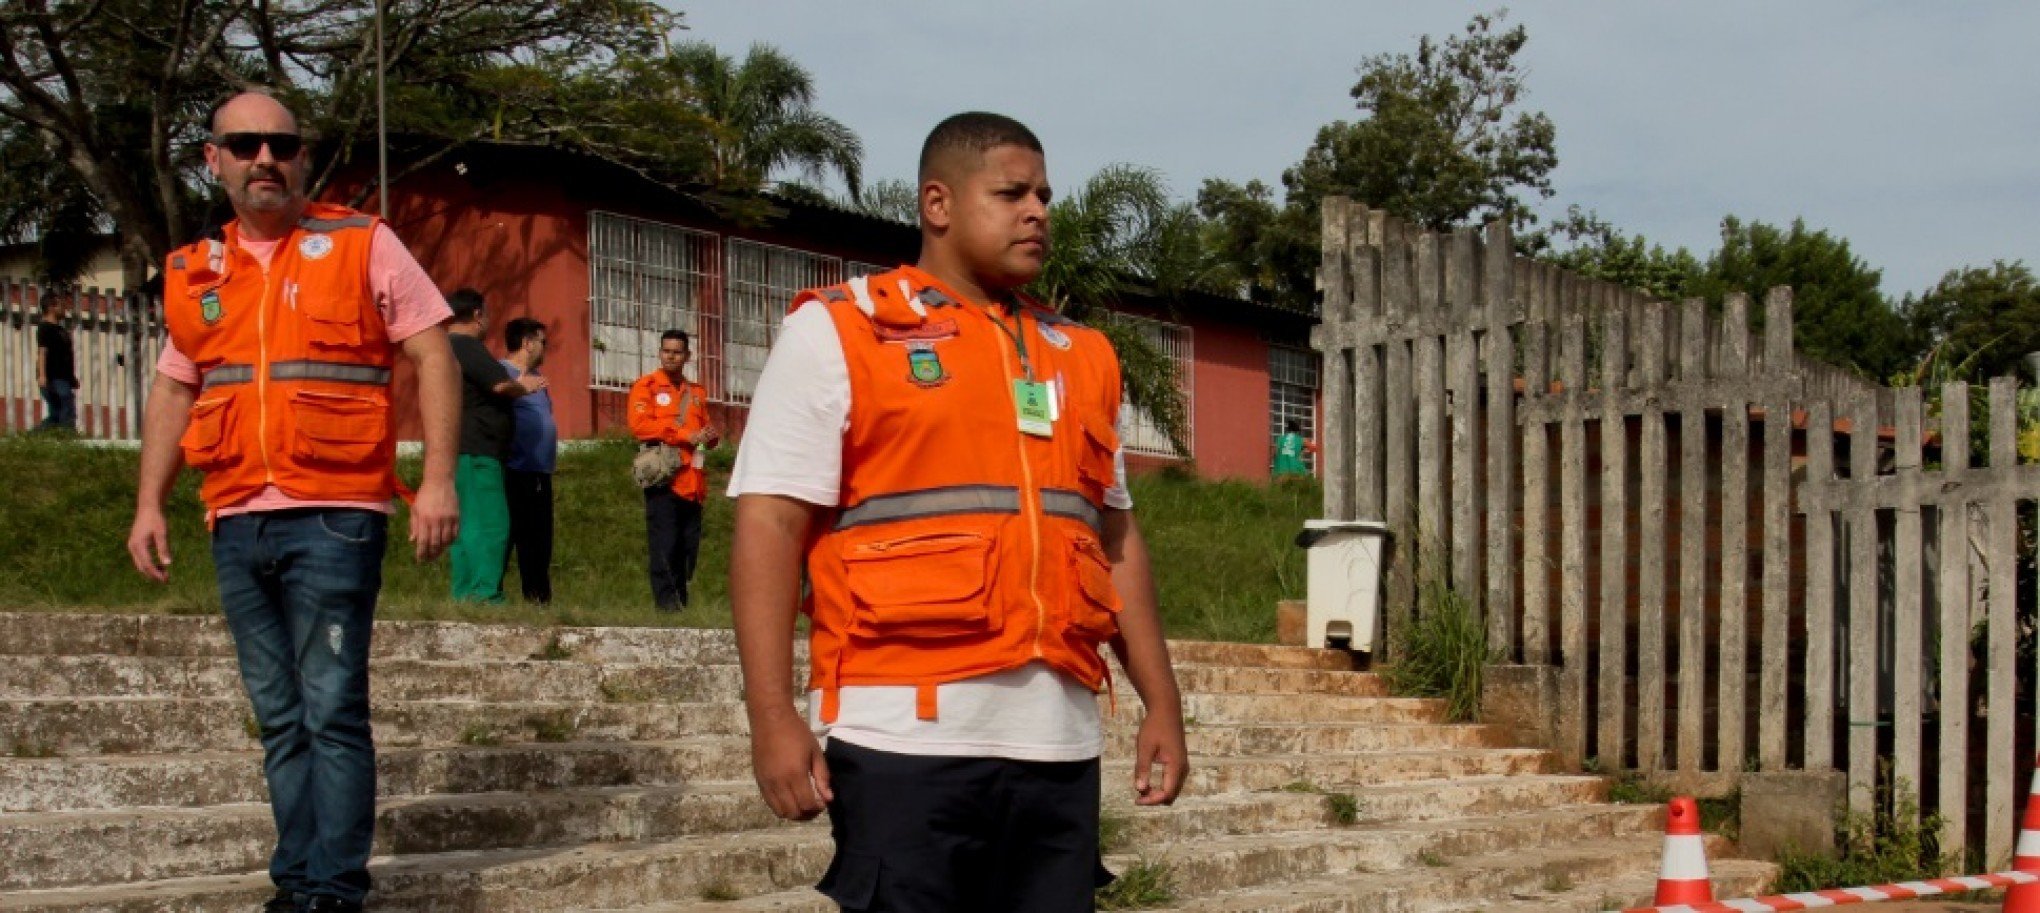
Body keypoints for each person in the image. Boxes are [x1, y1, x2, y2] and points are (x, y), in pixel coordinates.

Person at [728, 111, 1189, 913]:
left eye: (1045, 193)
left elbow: (1113, 536)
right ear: (937, 204)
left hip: (1059, 746)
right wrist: (770, 716)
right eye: (1012, 192)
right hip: (902, 738)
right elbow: (768, 523)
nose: (1038, 210)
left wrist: (1163, 702)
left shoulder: (1082, 357)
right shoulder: (838, 332)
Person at [125, 90, 460, 913]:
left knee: (331, 708)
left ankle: (334, 888)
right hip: (236, 516)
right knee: (279, 713)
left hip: (337, 513)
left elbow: (432, 351)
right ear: (215, 159)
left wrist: (440, 479)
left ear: (304, 157)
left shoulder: (361, 242)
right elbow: (175, 388)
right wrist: (149, 504)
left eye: (281, 143)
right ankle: (298, 882)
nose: (264, 158)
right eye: (244, 144)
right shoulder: (198, 270)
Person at [445, 289, 546, 603]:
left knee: (467, 525)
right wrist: (523, 387)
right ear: (478, 315)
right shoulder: (467, 346)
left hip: (460, 448)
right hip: (478, 450)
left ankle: (465, 592)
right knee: (492, 523)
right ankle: (484, 592)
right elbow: (500, 383)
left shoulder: (444, 348)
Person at [628, 330, 718, 610]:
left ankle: (680, 604)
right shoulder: (647, 386)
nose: (671, 356)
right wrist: (682, 435)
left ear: (687, 356)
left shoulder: (697, 393)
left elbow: (706, 432)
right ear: (660, 353)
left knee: (687, 547)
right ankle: (666, 607)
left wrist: (709, 436)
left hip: (692, 481)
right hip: (663, 477)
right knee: (664, 544)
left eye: (677, 352)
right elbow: (640, 425)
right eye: (666, 351)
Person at [499, 317, 558, 604]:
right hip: (513, 471)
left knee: (539, 542)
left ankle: (538, 599)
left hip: (539, 472)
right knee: (507, 536)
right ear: (527, 343)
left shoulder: (539, 381)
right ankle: (488, 595)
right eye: (543, 342)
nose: (546, 349)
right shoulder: (501, 374)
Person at [35, 294, 78, 432]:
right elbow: (42, 352)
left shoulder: (61, 330)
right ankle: (67, 433)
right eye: (62, 306)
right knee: (66, 403)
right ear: (52, 307)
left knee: (56, 413)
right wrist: (42, 375)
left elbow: (66, 356)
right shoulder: (45, 328)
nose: (65, 309)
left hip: (64, 376)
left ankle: (35, 435)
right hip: (53, 376)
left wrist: (72, 377)